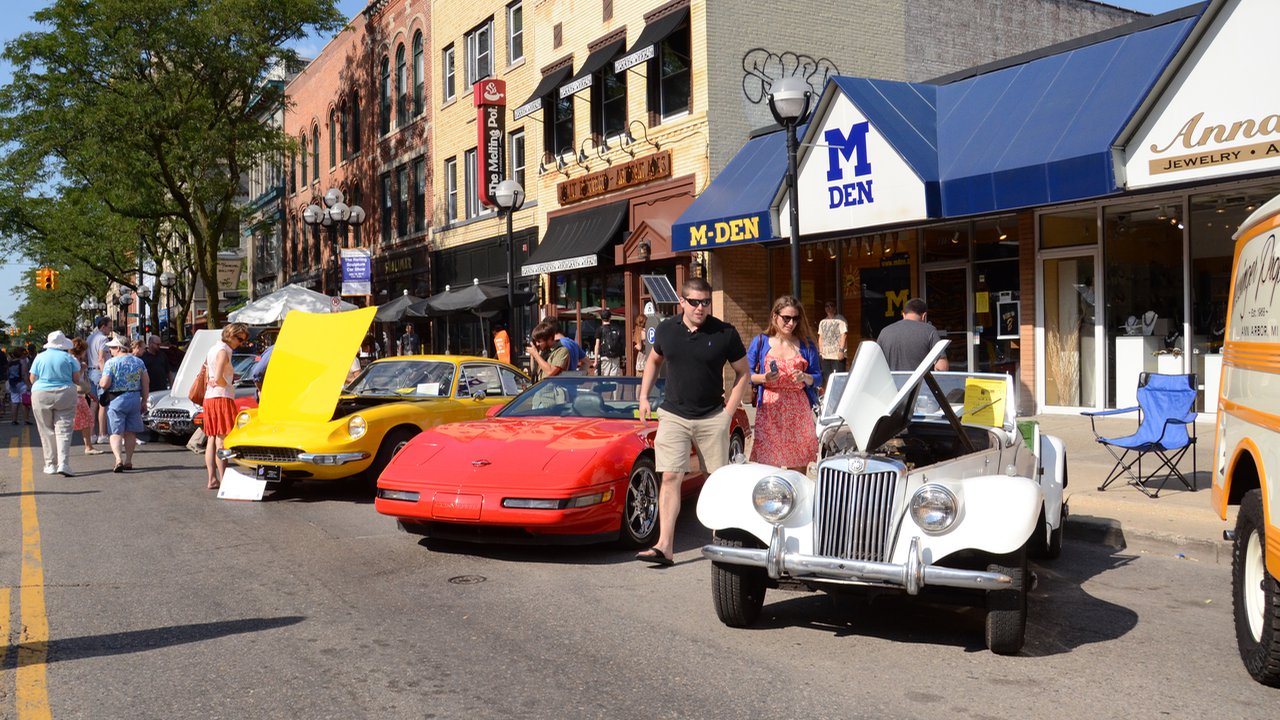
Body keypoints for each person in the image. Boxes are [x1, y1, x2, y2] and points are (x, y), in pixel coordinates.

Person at [636, 278, 750, 566]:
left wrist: (728, 413)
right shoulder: (666, 330)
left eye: (706, 302)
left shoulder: (725, 332)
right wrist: (644, 396)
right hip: (674, 414)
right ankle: (665, 546)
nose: (701, 308)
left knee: (714, 480)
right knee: (671, 476)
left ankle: (721, 544)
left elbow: (743, 373)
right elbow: (653, 361)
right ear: (682, 303)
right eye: (695, 302)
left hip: (713, 416)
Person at [747, 296, 821, 471]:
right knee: (769, 469)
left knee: (799, 469)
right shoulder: (761, 342)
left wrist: (805, 377)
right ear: (775, 316)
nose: (791, 323)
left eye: (795, 318)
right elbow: (746, 374)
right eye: (786, 318)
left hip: (798, 409)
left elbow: (818, 376)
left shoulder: (806, 344)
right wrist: (764, 378)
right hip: (770, 410)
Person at [29, 331, 82, 477]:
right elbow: (76, 379)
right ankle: (63, 463)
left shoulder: (39, 357)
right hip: (65, 392)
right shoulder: (69, 358)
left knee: (46, 429)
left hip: (41, 393)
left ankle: (50, 464)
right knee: (64, 429)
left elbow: (33, 378)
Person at [203, 323, 249, 490]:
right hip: (222, 397)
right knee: (221, 440)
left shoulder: (213, 348)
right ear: (231, 335)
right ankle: (223, 480)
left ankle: (212, 479)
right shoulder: (225, 351)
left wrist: (221, 379)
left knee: (211, 438)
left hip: (209, 398)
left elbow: (211, 372)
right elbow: (219, 376)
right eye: (239, 339)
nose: (240, 343)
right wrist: (226, 383)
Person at [99, 335, 150, 473]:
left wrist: (100, 382)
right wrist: (144, 400)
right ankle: (128, 460)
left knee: (116, 431)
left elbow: (105, 383)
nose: (110, 351)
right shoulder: (139, 362)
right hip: (134, 398)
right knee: (130, 432)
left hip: (117, 399)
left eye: (112, 348)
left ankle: (118, 459)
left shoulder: (111, 363)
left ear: (118, 348)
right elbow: (145, 382)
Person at [877, 297, 950, 372]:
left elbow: (876, 364)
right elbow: (941, 367)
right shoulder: (929, 331)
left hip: (892, 383)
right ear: (924, 316)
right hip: (920, 383)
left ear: (903, 315)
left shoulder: (884, 332)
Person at [70, 337, 105, 455]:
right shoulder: (75, 362)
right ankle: (88, 446)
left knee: (84, 419)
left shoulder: (73, 360)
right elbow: (74, 379)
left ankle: (88, 445)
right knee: (87, 418)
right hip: (76, 395)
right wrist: (82, 369)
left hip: (77, 394)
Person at [86, 316, 112, 444]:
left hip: (90, 371)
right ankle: (102, 434)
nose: (110, 330)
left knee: (93, 404)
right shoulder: (103, 339)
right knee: (103, 404)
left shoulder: (89, 338)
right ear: (103, 326)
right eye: (109, 327)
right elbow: (102, 358)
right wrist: (105, 374)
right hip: (98, 371)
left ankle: (91, 435)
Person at [817, 300, 849, 379]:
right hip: (826, 355)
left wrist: (841, 351)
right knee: (827, 378)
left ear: (835, 308)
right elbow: (820, 337)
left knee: (838, 378)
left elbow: (844, 335)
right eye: (827, 306)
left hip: (837, 355)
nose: (829, 308)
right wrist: (821, 352)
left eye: (831, 305)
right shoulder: (822, 322)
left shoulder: (840, 320)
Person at [594, 309, 625, 377]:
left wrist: (595, 360)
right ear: (610, 317)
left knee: (605, 378)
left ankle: (606, 388)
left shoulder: (600, 329)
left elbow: (597, 346)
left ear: (601, 318)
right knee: (614, 379)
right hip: (615, 358)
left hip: (604, 357)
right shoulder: (616, 329)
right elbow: (622, 344)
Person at [8, 347, 32, 425]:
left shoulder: (10, 362)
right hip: (22, 383)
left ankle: (14, 420)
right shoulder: (22, 362)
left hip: (12, 384)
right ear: (21, 354)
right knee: (25, 402)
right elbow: (24, 374)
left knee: (14, 402)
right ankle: (26, 419)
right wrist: (28, 384)